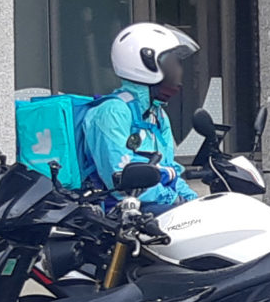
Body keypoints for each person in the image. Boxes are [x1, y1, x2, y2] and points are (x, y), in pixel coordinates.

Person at [81, 22, 201, 213]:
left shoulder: (157, 114)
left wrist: (193, 202)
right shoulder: (111, 112)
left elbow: (171, 171)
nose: (178, 71)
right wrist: (174, 201)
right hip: (121, 212)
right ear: (146, 63)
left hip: (157, 206)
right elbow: (120, 180)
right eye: (171, 62)